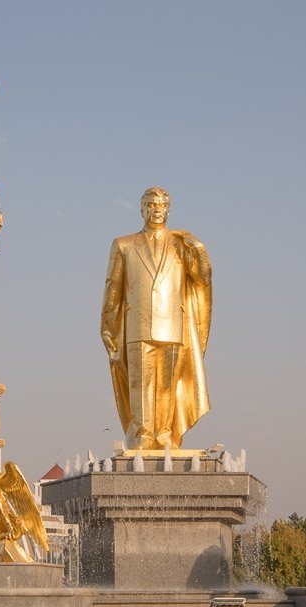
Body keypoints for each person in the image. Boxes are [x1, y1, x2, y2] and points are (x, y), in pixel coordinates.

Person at [100, 187, 212, 450]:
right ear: (141, 209)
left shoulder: (181, 245)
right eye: (150, 205)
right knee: (140, 384)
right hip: (137, 325)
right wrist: (107, 325)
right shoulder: (124, 244)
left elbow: (201, 280)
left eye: (161, 205)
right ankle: (143, 434)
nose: (156, 210)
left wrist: (199, 249)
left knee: (166, 385)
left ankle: (164, 433)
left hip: (172, 325)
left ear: (168, 209)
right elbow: (112, 287)